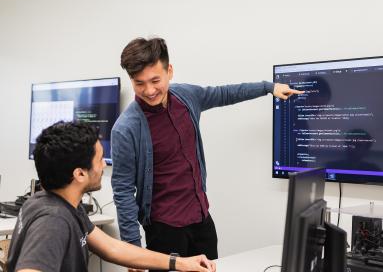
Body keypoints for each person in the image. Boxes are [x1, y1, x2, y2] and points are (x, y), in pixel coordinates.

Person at [111, 37, 303, 270]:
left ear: (169, 71)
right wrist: (133, 251)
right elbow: (122, 191)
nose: (149, 91)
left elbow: (225, 93)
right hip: (164, 232)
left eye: (155, 80)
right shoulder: (125, 129)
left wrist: (268, 87)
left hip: (201, 221)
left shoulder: (186, 96)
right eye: (139, 83)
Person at [7, 121, 215, 272]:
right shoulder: (53, 220)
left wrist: (180, 263)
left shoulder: (58, 202)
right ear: (79, 174)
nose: (104, 165)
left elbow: (111, 248)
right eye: (99, 160)